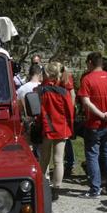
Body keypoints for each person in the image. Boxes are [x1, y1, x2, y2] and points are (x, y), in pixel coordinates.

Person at [78, 52, 107, 198]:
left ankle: (95, 189)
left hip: (94, 124)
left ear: (90, 62)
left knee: (92, 155)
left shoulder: (87, 79)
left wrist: (101, 114)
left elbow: (86, 102)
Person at [38, 62, 74, 200]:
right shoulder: (64, 92)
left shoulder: (40, 90)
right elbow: (70, 110)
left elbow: (38, 111)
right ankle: (56, 189)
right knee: (59, 160)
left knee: (44, 159)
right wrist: (70, 126)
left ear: (47, 74)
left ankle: (41, 185)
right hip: (61, 128)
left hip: (47, 127)